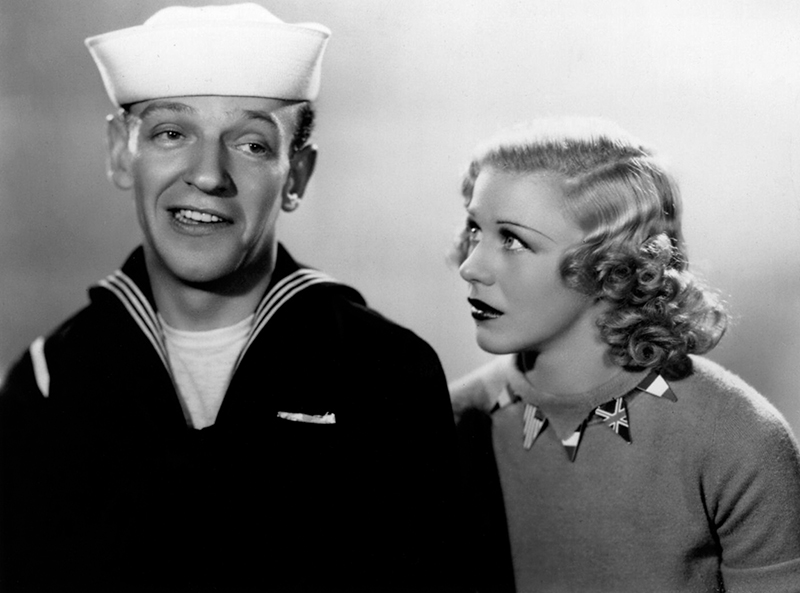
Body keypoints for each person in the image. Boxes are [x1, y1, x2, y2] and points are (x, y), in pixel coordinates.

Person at [0, 4, 464, 592]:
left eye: (252, 145)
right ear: (121, 151)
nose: (208, 175)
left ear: (296, 175)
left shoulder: (386, 372)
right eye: (172, 134)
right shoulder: (50, 381)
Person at [449, 117, 800, 592]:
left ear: (610, 260)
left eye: (513, 240)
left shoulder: (736, 438)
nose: (471, 266)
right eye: (475, 229)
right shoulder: (454, 419)